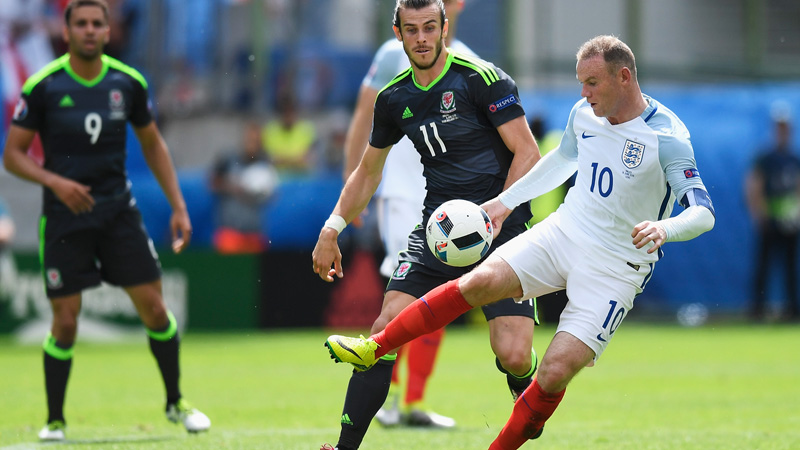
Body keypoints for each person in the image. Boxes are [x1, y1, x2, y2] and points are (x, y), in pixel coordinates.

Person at [325, 35, 716, 449]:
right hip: (564, 232)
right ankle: (375, 347)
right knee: (477, 282)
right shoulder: (585, 113)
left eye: (592, 82)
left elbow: (703, 212)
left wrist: (665, 228)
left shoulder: (667, 136)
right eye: (580, 82)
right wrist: (504, 203)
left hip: (617, 267)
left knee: (553, 372)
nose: (583, 93)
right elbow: (562, 161)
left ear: (624, 77)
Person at [313, 1, 541, 448]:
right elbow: (367, 172)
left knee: (512, 354)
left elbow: (528, 153)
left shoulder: (482, 79)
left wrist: (495, 213)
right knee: (385, 329)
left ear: (444, 29)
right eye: (412, 29)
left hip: (503, 229)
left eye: (429, 28)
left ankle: (526, 380)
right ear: (397, 32)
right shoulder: (394, 97)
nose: (421, 38)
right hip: (438, 233)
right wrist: (332, 227)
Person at [2, 0, 210, 441]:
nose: (91, 30)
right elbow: (13, 155)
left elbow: (153, 145)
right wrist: (55, 183)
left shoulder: (128, 82)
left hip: (118, 211)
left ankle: (176, 402)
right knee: (66, 322)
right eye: (82, 23)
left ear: (109, 29)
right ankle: (54, 420)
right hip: (64, 217)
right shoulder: (44, 85)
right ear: (67, 29)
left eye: (99, 23)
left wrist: (178, 205)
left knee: (155, 310)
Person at [341, 0, 478, 429]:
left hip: (450, 201)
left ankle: (413, 400)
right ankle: (387, 395)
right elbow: (364, 118)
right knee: (407, 291)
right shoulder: (389, 55)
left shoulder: (474, 64)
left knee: (441, 289)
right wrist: (351, 193)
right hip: (402, 192)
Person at [745, 102, 800, 322]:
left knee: (790, 268)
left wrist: (795, 214)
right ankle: (757, 310)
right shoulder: (765, 158)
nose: (782, 131)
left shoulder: (794, 159)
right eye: (779, 127)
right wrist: (759, 214)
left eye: (785, 127)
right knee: (764, 267)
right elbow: (754, 185)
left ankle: (792, 310)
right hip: (769, 221)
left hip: (790, 220)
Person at [209, 120, 277, 254]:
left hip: (254, 232)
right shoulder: (228, 159)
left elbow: (272, 195)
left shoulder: (265, 164)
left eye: (256, 140)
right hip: (230, 231)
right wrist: (233, 187)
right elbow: (212, 183)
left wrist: (257, 193)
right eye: (250, 139)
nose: (252, 144)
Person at [262, 97, 317, 175]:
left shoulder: (306, 130)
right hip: (279, 177)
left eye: (290, 112)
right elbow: (272, 160)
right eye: (285, 112)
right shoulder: (271, 131)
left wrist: (284, 159)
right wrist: (296, 159)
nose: (288, 116)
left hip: (302, 177)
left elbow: (309, 159)